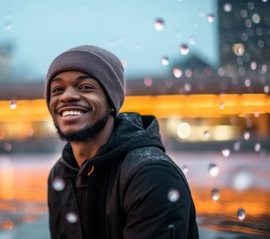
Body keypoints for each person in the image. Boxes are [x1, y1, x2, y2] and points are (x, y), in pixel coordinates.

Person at [45, 45, 199, 239]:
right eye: (57, 89)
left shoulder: (151, 175)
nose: (66, 96)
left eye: (85, 87)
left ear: (111, 102)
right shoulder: (61, 173)